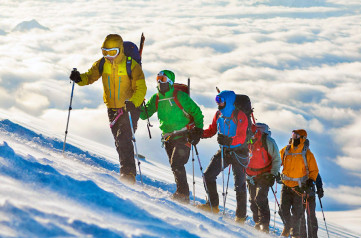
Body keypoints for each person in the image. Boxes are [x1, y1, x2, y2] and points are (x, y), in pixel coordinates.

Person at [69, 34, 147, 184]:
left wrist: (134, 102)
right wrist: (79, 78)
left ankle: (128, 174)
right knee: (119, 140)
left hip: (130, 108)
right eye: (105, 52)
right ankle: (126, 170)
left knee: (124, 138)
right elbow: (90, 76)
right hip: (112, 108)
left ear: (119, 50)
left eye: (112, 52)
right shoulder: (102, 64)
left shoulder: (131, 65)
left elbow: (141, 87)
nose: (108, 56)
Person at [140, 70, 204, 203]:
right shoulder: (156, 98)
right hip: (168, 138)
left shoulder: (180, 96)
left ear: (170, 81)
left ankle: (183, 194)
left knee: (176, 163)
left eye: (162, 79)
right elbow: (144, 115)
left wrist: (198, 130)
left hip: (184, 135)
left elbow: (197, 112)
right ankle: (181, 192)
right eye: (158, 78)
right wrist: (138, 105)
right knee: (174, 165)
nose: (159, 81)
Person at [198, 90, 249, 223]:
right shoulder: (218, 114)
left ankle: (240, 217)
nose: (218, 103)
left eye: (220, 100)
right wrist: (198, 134)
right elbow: (212, 130)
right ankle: (213, 206)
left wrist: (229, 141)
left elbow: (242, 136)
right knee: (208, 175)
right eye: (216, 100)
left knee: (240, 185)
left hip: (239, 153)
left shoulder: (240, 115)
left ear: (229, 101)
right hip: (225, 151)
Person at [279, 129, 319, 238]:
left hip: (300, 187)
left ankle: (293, 233)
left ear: (302, 138)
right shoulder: (286, 150)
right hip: (286, 185)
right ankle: (288, 227)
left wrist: (311, 181)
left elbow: (314, 170)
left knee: (297, 212)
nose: (293, 137)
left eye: (296, 135)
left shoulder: (307, 153)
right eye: (292, 134)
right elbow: (277, 160)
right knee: (283, 210)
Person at [246, 123, 281, 233]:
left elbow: (276, 159)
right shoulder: (247, 140)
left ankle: (264, 225)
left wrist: (273, 174)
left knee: (260, 198)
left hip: (265, 175)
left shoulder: (268, 141)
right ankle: (257, 222)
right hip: (250, 175)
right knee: (252, 200)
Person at [299, 173, 324, 238]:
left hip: (309, 194)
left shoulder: (311, 164)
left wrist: (319, 188)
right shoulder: (297, 162)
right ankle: (303, 237)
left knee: (311, 216)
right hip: (299, 193)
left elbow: (317, 176)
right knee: (301, 215)